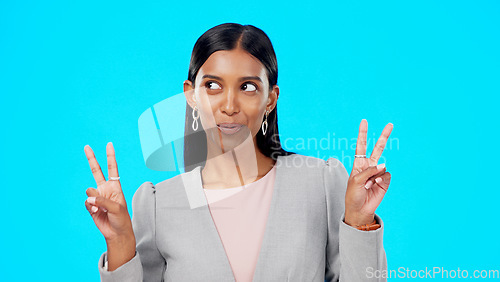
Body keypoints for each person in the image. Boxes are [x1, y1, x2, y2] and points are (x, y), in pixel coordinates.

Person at [84, 23, 393, 281]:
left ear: (271, 98)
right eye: (212, 86)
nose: (229, 106)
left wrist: (358, 220)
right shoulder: (156, 204)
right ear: (191, 95)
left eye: (247, 87)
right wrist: (120, 241)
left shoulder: (321, 184)